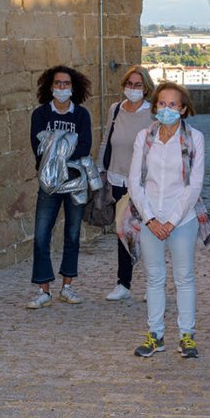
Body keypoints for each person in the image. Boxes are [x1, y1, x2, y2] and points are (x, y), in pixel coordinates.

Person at [127, 82, 206, 359]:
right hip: (150, 217)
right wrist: (150, 219)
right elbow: (134, 181)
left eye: (173, 105)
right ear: (155, 106)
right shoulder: (144, 137)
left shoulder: (194, 138)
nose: (167, 109)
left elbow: (194, 185)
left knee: (184, 278)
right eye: (162, 103)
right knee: (154, 278)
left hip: (181, 219)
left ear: (183, 109)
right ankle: (155, 334)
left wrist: (171, 221)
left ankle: (187, 335)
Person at [27, 65, 94, 309]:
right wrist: (64, 146)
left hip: (75, 182)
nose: (62, 88)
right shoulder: (41, 114)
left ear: (73, 87)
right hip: (49, 184)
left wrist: (57, 145)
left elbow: (84, 146)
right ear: (50, 86)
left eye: (66, 84)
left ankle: (68, 285)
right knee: (41, 235)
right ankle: (43, 289)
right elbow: (39, 147)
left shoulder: (81, 115)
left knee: (73, 235)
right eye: (58, 83)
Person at [98, 66, 155, 301]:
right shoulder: (115, 109)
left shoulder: (152, 112)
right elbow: (106, 140)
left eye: (138, 85)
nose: (132, 89)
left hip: (143, 182)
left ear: (146, 88)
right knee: (123, 232)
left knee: (148, 233)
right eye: (129, 84)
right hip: (117, 178)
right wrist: (100, 169)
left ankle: (154, 283)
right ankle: (124, 283)